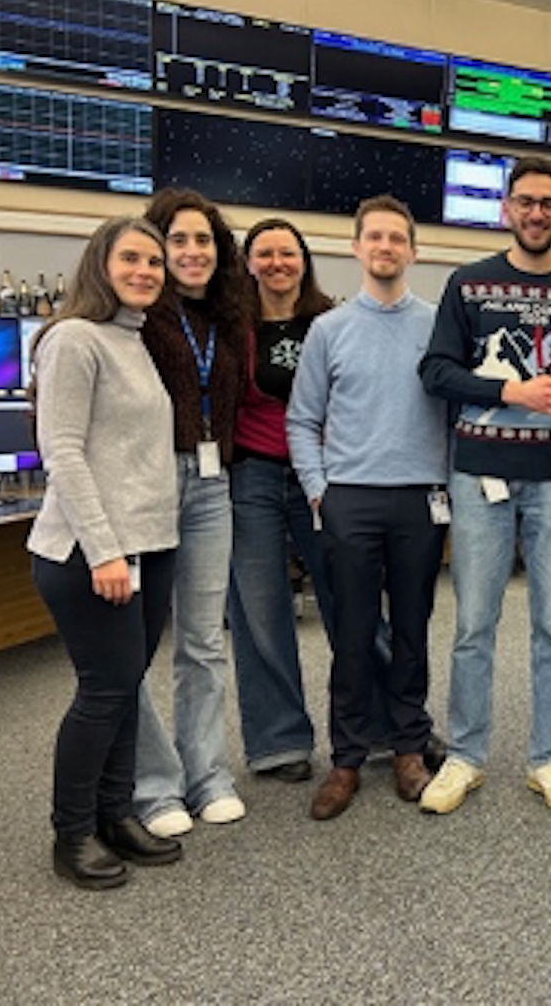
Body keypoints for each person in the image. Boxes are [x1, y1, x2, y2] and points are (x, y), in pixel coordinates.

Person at [418, 157, 551, 815]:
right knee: (474, 622)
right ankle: (466, 754)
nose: (536, 213)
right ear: (507, 209)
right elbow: (436, 371)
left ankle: (549, 757)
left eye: (548, 203)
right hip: (481, 475)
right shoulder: (468, 285)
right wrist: (512, 391)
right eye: (526, 201)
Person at [28, 217, 182, 889]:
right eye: (131, 258)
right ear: (101, 263)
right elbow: (62, 452)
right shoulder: (74, 338)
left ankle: (115, 812)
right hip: (91, 552)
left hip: (148, 546)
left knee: (125, 688)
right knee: (105, 690)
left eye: (154, 261)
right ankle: (72, 833)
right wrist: (104, 551)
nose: (146, 271)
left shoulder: (134, 339)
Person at [287, 195, 450, 821]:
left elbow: (454, 413)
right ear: (356, 248)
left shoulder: (438, 326)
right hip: (349, 499)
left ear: (413, 251)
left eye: (396, 238)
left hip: (420, 498)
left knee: (411, 631)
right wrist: (319, 490)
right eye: (374, 237)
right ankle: (348, 758)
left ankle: (409, 748)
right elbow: (302, 419)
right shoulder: (328, 330)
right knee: (352, 636)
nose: (385, 247)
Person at [134, 189, 252, 837]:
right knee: (135, 646)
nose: (191, 251)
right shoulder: (135, 313)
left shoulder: (228, 317)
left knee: (203, 643)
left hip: (212, 486)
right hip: (147, 486)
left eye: (203, 240)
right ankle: (154, 786)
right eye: (177, 239)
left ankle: (207, 774)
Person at [226, 218, 338, 784]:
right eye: (264, 253)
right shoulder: (232, 326)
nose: (277, 263)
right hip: (254, 476)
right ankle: (278, 741)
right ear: (248, 263)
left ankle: (384, 725)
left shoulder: (331, 322)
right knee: (260, 609)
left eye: (287, 252)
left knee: (353, 599)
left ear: (304, 260)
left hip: (325, 474)